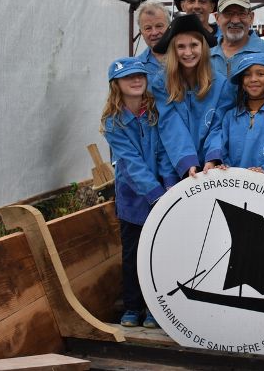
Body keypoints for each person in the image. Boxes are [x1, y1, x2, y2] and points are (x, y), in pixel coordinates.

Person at [100, 57, 177, 328]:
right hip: (134, 200)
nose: (135, 81)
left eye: (140, 77)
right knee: (133, 254)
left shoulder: (156, 112)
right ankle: (133, 307)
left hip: (163, 196)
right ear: (116, 85)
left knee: (161, 254)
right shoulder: (113, 122)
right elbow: (130, 163)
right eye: (128, 78)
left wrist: (169, 185)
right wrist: (156, 194)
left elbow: (167, 150)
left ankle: (157, 307)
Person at [151, 14, 235, 179]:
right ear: (173, 50)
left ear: (203, 47)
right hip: (175, 161)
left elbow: (218, 126)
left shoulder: (220, 85)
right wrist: (188, 161)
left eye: (194, 45)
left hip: (210, 165)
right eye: (181, 46)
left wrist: (213, 157)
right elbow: (170, 125)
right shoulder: (161, 83)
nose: (188, 52)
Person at [219, 52, 264, 174]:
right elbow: (223, 153)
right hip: (233, 187)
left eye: (261, 74)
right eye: (247, 75)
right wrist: (224, 167)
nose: (253, 79)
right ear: (241, 82)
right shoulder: (230, 116)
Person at [211, 0, 264, 81]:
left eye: (241, 13)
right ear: (217, 18)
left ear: (251, 17)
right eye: (228, 14)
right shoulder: (207, 54)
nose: (235, 20)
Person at [135, 0, 171, 79]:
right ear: (141, 32)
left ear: (169, 27)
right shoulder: (136, 66)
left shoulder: (185, 57)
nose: (154, 33)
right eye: (148, 28)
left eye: (159, 26)